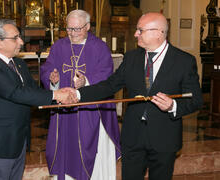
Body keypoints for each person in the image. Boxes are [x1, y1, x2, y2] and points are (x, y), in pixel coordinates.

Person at [76, 12, 203, 180]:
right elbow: (109, 85)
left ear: (158, 32)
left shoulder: (184, 61)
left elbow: (195, 100)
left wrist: (173, 106)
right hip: (133, 136)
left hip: (164, 137)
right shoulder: (131, 58)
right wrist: (77, 94)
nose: (136, 34)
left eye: (140, 30)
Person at [0, 19, 76, 180]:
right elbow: (15, 93)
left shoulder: (18, 63)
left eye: (20, 37)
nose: (21, 42)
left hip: (18, 141)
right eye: (15, 38)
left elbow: (31, 92)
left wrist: (58, 90)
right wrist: (57, 96)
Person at [40, 10, 121, 180]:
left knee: (88, 144)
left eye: (77, 29)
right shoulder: (59, 46)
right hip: (65, 108)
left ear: (88, 27)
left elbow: (107, 75)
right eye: (69, 29)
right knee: (66, 145)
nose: (72, 33)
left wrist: (87, 81)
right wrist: (51, 78)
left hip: (91, 109)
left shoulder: (99, 47)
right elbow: (48, 68)